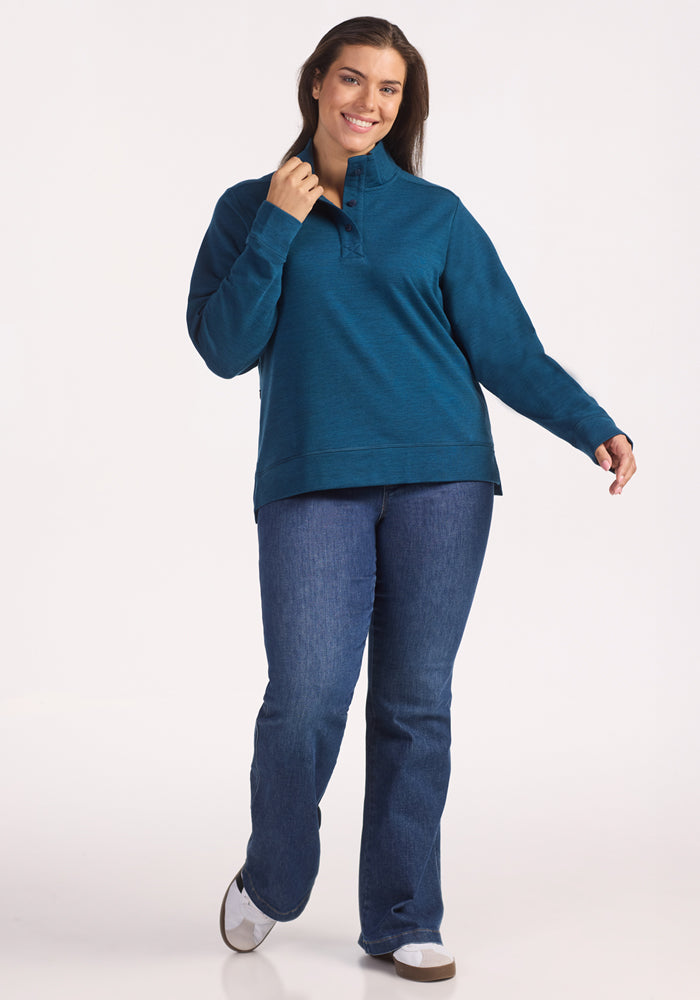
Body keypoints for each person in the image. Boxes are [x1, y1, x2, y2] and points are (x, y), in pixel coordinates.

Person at [186, 16, 636, 984]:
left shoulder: (438, 218)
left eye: (387, 90)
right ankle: (273, 875)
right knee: (305, 700)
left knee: (413, 703)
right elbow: (222, 347)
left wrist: (590, 422)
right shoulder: (248, 206)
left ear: (401, 105)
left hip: (443, 476)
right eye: (351, 81)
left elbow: (506, 349)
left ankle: (401, 913)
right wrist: (277, 221)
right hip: (311, 479)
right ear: (315, 85)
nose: (368, 104)